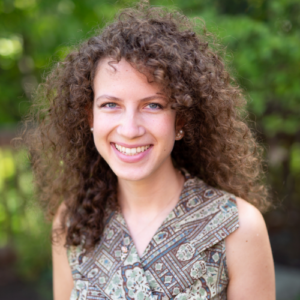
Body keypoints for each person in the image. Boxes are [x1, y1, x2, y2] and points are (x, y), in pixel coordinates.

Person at [24, 1, 275, 299]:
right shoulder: (72, 221)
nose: (130, 129)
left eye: (152, 105)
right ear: (90, 117)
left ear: (180, 119)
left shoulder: (238, 228)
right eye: (110, 105)